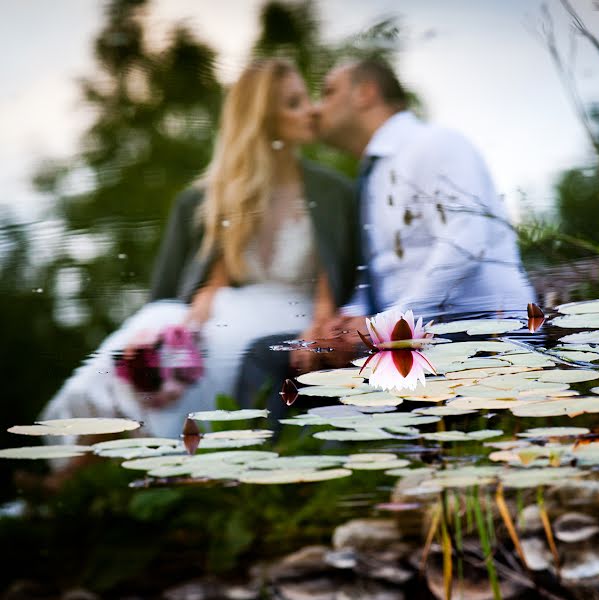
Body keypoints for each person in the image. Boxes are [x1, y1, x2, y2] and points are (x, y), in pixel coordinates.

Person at [40, 58, 357, 439]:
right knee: (158, 320)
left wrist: (317, 326)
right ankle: (84, 444)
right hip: (238, 302)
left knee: (217, 344)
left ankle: (147, 449)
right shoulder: (228, 191)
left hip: (293, 310)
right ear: (262, 119)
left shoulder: (331, 191)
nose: (310, 111)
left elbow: (333, 276)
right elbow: (219, 265)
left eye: (306, 99)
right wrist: (203, 299)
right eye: (293, 103)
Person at [233, 57, 535, 408]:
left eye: (328, 92)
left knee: (330, 402)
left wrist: (384, 327)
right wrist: (343, 323)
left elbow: (464, 245)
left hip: (478, 333)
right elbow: (377, 274)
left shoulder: (435, 143)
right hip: (406, 339)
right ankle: (269, 459)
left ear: (365, 93)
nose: (316, 109)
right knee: (268, 358)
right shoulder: (370, 178)